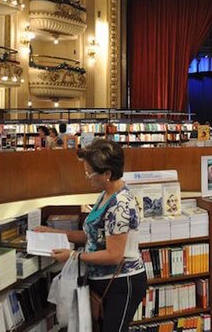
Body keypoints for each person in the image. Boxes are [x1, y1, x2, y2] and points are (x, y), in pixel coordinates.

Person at [35, 139, 146, 331]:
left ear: (108, 174)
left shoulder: (120, 205)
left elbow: (114, 255)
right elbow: (93, 236)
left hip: (121, 282)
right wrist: (56, 232)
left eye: (90, 173)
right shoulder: (105, 195)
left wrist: (73, 256)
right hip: (104, 282)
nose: (87, 177)